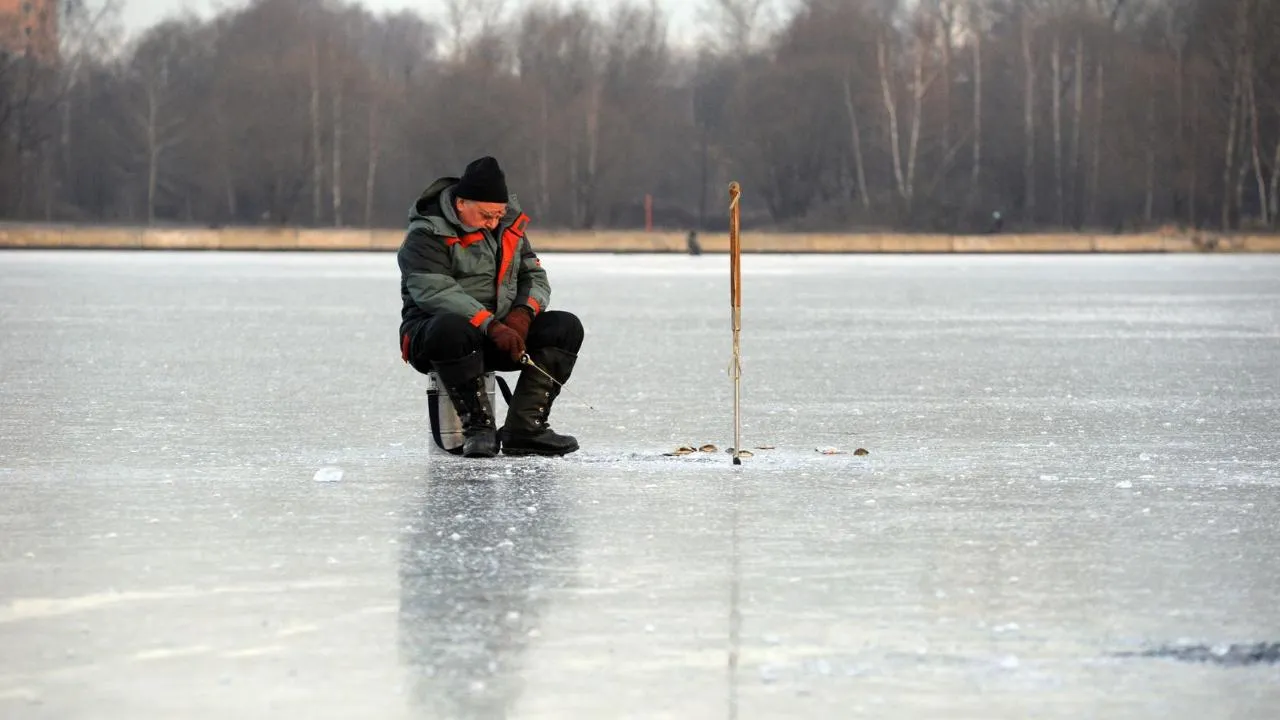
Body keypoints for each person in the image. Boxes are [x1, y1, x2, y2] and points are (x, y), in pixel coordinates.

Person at [397, 156, 584, 458]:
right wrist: (491, 325)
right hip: (437, 340)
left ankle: (525, 430)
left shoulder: (509, 228)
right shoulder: (425, 235)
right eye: (486, 215)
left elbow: (534, 276)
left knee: (565, 327)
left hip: (502, 334)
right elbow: (435, 291)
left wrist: (523, 315)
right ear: (460, 204)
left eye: (499, 215)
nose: (494, 223)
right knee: (450, 327)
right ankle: (478, 428)